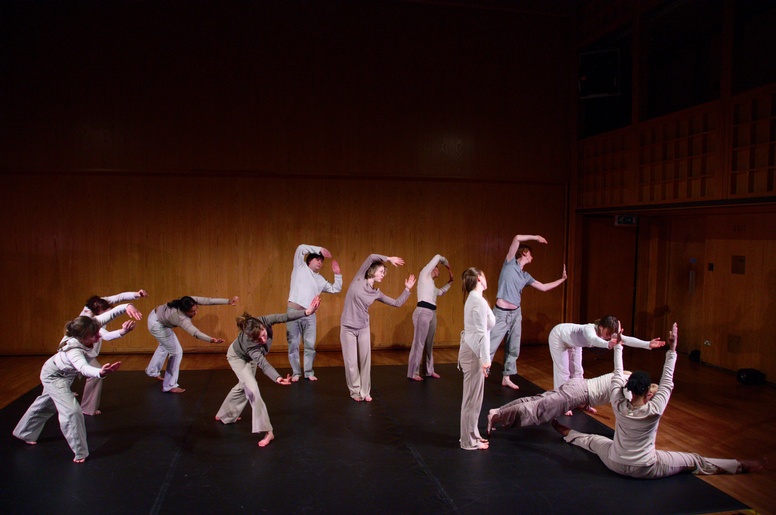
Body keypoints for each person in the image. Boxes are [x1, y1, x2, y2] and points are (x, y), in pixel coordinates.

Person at [553, 323, 766, 478]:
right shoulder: (655, 408)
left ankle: (566, 432)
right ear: (649, 392)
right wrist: (672, 349)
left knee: (592, 441)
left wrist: (618, 345)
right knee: (694, 460)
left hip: (615, 463)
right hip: (646, 467)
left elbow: (618, 372)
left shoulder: (618, 401)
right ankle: (740, 465)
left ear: (628, 387)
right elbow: (667, 380)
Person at [13, 308, 134, 463]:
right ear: (83, 338)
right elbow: (83, 367)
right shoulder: (73, 350)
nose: (99, 336)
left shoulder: (90, 325)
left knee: (47, 403)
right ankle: (80, 452)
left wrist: (127, 306)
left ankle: (24, 432)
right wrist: (100, 372)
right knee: (72, 411)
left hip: (64, 373)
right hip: (54, 376)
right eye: (94, 335)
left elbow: (111, 314)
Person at [215, 297, 320, 447]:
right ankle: (268, 432)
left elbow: (284, 317)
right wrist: (278, 378)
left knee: (243, 385)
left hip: (248, 356)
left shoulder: (264, 320)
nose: (264, 340)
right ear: (252, 338)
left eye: (264, 335)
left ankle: (225, 414)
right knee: (252, 389)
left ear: (262, 326)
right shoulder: (250, 346)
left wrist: (307, 312)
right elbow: (263, 364)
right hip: (237, 357)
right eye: (259, 340)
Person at [489, 234, 567, 390]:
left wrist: (562, 279)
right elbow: (517, 238)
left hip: (516, 314)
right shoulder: (509, 263)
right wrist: (536, 237)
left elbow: (544, 287)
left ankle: (506, 377)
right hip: (501, 314)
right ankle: (480, 372)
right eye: (530, 254)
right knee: (491, 344)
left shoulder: (525, 276)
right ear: (524, 253)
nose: (532, 257)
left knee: (513, 347)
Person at [548, 316, 665, 415]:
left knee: (578, 372)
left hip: (574, 343)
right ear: (601, 327)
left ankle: (580, 402)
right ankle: (561, 403)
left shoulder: (607, 334)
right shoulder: (589, 329)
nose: (609, 336)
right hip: (559, 337)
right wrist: (608, 344)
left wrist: (647, 344)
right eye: (608, 333)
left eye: (611, 334)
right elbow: (594, 340)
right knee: (563, 371)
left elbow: (625, 340)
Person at [340, 254, 416, 402]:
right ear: (372, 271)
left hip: (363, 327)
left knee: (365, 362)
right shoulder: (359, 278)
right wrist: (389, 259)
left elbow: (396, 303)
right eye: (381, 272)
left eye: (384, 273)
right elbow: (371, 256)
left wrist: (407, 290)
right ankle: (355, 391)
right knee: (351, 363)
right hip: (348, 327)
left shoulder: (376, 293)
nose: (383, 275)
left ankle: (365, 392)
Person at [487, 370, 629, 435]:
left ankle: (498, 411)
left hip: (578, 385)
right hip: (579, 392)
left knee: (537, 401)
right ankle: (498, 415)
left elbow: (600, 388)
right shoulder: (628, 384)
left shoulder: (625, 374)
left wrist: (586, 404)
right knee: (538, 409)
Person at [145, 294, 239, 393]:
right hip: (157, 324)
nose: (195, 312)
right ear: (184, 311)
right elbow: (195, 333)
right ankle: (169, 385)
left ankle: (152, 371)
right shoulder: (181, 318)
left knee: (165, 346)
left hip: (157, 315)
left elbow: (208, 300)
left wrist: (228, 301)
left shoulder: (187, 301)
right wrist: (211, 340)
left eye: (196, 309)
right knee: (176, 352)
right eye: (192, 312)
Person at [78, 289, 147, 415]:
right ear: (97, 314)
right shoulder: (89, 321)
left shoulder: (98, 302)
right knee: (59, 380)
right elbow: (106, 336)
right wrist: (123, 331)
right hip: (77, 353)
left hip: (86, 353)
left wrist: (136, 295)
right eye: (106, 314)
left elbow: (119, 297)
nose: (109, 316)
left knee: (96, 374)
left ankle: (87, 408)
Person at [286, 244, 342, 382]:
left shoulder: (320, 279)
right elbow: (300, 248)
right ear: (309, 260)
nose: (320, 262)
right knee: (293, 343)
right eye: (318, 259)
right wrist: (320, 250)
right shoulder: (300, 267)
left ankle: (308, 372)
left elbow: (335, 289)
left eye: (322, 261)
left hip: (310, 314)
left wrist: (337, 274)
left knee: (309, 344)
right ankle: (296, 372)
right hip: (293, 312)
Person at [459, 267, 494, 450]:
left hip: (474, 351)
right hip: (473, 353)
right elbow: (481, 333)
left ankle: (473, 435)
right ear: (479, 278)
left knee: (475, 399)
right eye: (484, 276)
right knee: (471, 399)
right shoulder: (477, 300)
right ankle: (468, 441)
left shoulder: (477, 299)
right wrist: (485, 360)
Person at [407, 254, 453, 381]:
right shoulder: (424, 275)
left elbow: (441, 292)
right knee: (419, 343)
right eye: (437, 268)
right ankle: (413, 372)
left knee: (429, 344)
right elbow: (437, 256)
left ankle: (429, 370)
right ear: (432, 268)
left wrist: (450, 282)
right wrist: (446, 263)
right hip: (422, 311)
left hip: (432, 313)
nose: (439, 271)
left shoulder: (431, 285)